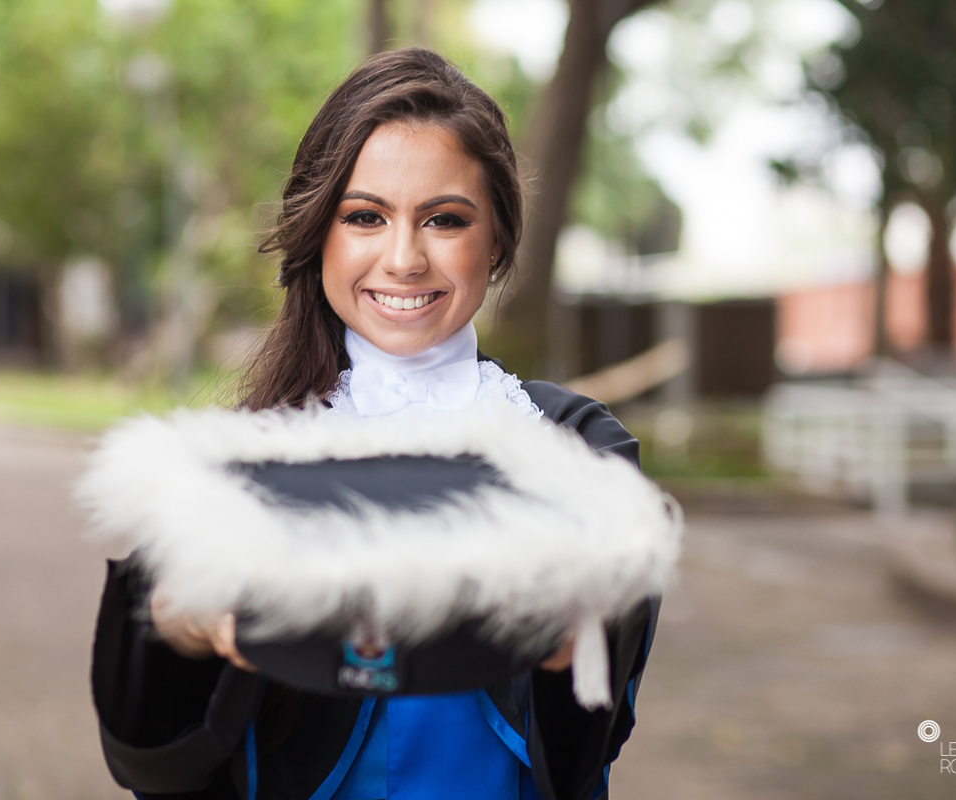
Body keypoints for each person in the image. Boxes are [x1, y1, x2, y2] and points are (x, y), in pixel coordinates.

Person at [91, 47, 659, 800]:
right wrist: (179, 627)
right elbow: (151, 759)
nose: (403, 258)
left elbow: (591, 734)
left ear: (496, 243)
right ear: (318, 232)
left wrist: (579, 628)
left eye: (445, 220)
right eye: (364, 216)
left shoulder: (578, 454)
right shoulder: (239, 464)